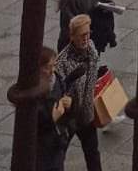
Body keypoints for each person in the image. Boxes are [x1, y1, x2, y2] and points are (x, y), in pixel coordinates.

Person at [55, 15, 102, 171]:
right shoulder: (63, 62)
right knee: (58, 155)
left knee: (93, 153)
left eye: (88, 33)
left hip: (87, 114)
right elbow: (58, 89)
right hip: (70, 118)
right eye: (82, 35)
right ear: (72, 36)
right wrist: (67, 101)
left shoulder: (92, 50)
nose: (86, 39)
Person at [36, 44, 72, 171]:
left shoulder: (56, 79)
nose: (52, 70)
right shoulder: (36, 92)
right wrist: (53, 118)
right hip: (42, 149)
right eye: (47, 67)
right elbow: (34, 123)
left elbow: (64, 92)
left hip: (57, 141)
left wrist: (68, 102)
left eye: (53, 65)